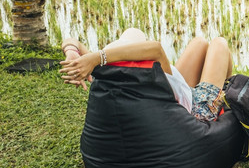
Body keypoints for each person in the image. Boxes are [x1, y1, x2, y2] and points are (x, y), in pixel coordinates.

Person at [60, 28, 233, 122]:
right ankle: (226, 95)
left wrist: (72, 51)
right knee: (219, 44)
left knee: (200, 43)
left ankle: (223, 88)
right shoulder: (115, 62)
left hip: (176, 90)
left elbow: (71, 41)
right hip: (195, 109)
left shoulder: (108, 67)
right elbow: (156, 49)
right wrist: (97, 57)